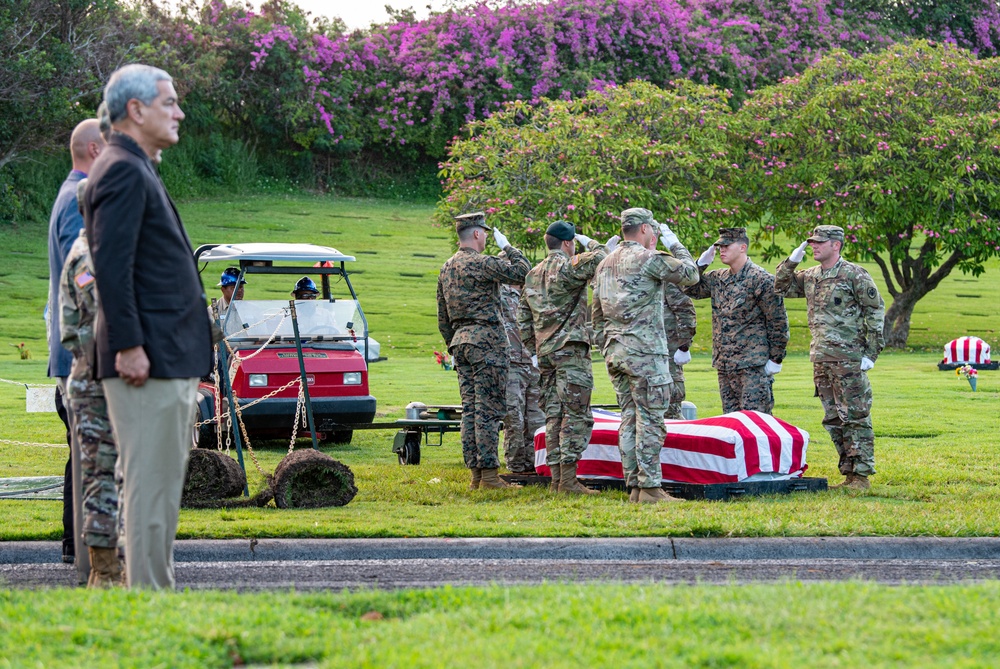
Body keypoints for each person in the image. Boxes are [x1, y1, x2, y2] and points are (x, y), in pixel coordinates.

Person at [83, 64, 213, 589]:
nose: (179, 112)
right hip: (148, 361)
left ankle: (153, 598)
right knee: (150, 489)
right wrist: (131, 345)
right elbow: (112, 268)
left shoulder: (137, 166)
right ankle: (149, 605)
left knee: (158, 489)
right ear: (135, 110)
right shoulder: (120, 168)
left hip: (164, 357)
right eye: (169, 102)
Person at [592, 208, 699, 504]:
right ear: (644, 230)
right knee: (651, 419)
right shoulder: (648, 258)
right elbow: (690, 275)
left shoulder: (604, 262)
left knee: (628, 417)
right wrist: (675, 244)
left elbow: (596, 315)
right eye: (652, 230)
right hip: (646, 353)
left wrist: (607, 346)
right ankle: (650, 487)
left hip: (616, 352)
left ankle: (635, 486)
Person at [774, 225, 885, 490]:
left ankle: (861, 475)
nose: (813, 246)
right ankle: (848, 473)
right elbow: (781, 286)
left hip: (849, 359)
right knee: (833, 418)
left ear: (836, 245)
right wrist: (792, 261)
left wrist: (871, 353)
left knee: (855, 416)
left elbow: (875, 312)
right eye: (811, 242)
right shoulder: (811, 275)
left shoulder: (853, 274)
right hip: (822, 358)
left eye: (819, 242)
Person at [517, 220, 616, 494]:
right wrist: (592, 242)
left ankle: (557, 480)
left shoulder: (532, 273)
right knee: (576, 416)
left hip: (545, 353)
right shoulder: (568, 266)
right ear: (568, 243)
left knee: (553, 415)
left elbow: (522, 317)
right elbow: (601, 257)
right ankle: (568, 481)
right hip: (570, 351)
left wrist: (534, 347)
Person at [46, 118, 105, 566]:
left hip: (75, 347)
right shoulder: (77, 199)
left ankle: (76, 545)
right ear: (93, 149)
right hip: (80, 350)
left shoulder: (73, 193)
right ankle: (81, 547)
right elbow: (79, 269)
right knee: (87, 455)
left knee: (81, 453)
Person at [437, 211, 530, 490]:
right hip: (487, 342)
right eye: (486, 232)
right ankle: (489, 476)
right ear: (477, 233)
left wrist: (452, 344)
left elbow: (442, 316)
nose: (487, 236)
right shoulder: (482, 263)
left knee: (471, 410)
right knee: (489, 410)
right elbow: (523, 271)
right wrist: (508, 247)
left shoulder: (447, 267)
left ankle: (476, 475)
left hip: (460, 343)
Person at [59, 195, 122, 588]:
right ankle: (105, 571)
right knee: (102, 477)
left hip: (98, 373)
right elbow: (104, 315)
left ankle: (109, 567)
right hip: (96, 379)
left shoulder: (95, 250)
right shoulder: (88, 257)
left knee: (108, 475)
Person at [684, 227, 788, 414]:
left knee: (755, 421)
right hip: (725, 363)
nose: (721, 250)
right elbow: (689, 288)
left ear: (742, 247)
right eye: (719, 246)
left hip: (752, 365)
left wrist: (776, 358)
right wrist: (700, 264)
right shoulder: (718, 278)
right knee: (731, 423)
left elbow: (777, 322)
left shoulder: (761, 279)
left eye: (726, 246)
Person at [643, 235, 698, 419]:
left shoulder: (664, 274)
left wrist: (684, 346)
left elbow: (684, 310)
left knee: (669, 407)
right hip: (642, 353)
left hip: (667, 351)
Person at [498, 279, 544, 474]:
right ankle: (516, 465)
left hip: (533, 362)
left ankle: (536, 462)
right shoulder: (499, 293)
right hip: (511, 364)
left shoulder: (533, 292)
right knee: (514, 418)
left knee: (536, 417)